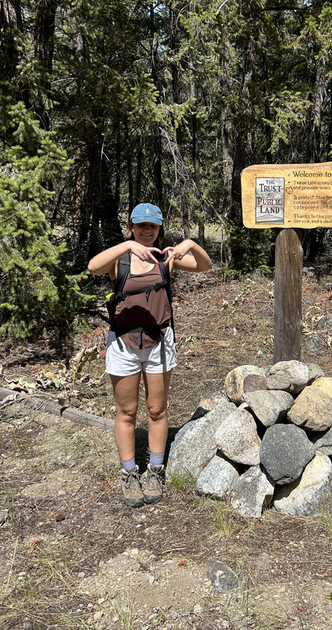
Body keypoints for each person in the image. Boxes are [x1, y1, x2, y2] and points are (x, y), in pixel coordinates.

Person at [88, 203, 212, 508]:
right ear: (131, 227)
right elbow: (92, 266)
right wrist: (127, 245)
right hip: (123, 345)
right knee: (126, 412)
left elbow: (205, 266)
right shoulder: (121, 259)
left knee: (157, 409)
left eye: (152, 227)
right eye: (140, 226)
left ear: (159, 230)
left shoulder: (166, 260)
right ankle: (129, 472)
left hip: (158, 343)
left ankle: (154, 470)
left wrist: (191, 244)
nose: (146, 231)